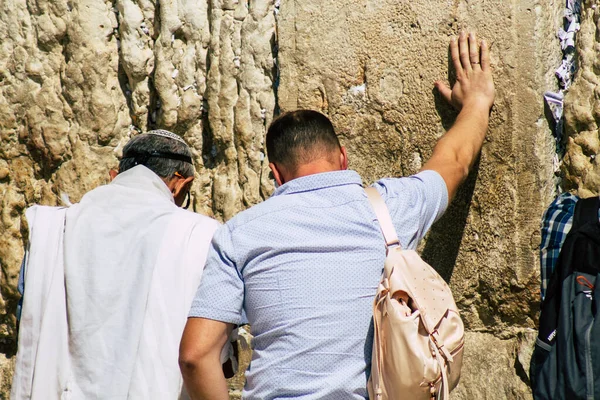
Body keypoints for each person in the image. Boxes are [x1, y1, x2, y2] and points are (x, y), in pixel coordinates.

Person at [179, 31, 495, 399]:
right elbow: (454, 161)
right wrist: (477, 101)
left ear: (275, 174)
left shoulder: (238, 234)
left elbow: (195, 356)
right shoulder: (388, 210)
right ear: (342, 158)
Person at [11, 130, 220, 399]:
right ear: (180, 185)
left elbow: (25, 321)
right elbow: (210, 354)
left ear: (114, 176)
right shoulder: (201, 235)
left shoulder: (50, 229)